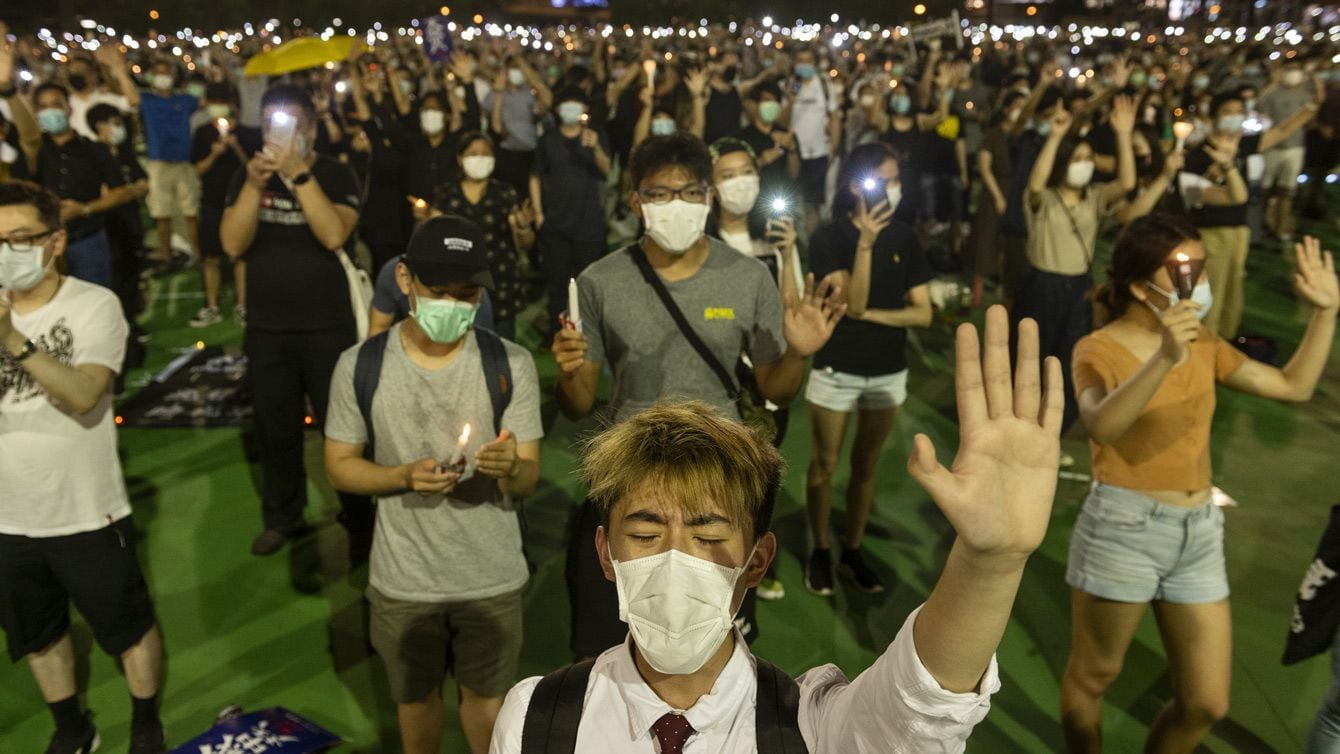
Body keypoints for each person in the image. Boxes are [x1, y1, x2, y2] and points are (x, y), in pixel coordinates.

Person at [490, 301, 1066, 752]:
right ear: (605, 553)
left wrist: (990, 563)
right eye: (645, 535)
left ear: (757, 561)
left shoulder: (812, 724)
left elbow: (918, 715)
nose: (674, 558)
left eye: (708, 536)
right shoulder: (533, 720)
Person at [551, 132, 844, 660]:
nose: (676, 205)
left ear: (709, 197)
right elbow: (577, 403)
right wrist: (569, 371)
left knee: (710, 641)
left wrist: (797, 354)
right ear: (636, 201)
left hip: (719, 474)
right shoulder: (600, 281)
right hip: (628, 474)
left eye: (689, 192)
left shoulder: (748, 277)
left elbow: (775, 389)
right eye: (659, 193)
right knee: (606, 636)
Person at [1060, 216, 1338, 753]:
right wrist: (1165, 357)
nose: (1201, 282)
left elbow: (1292, 385)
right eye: (1186, 270)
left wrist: (1325, 313)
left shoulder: (1206, 343)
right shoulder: (1098, 348)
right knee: (1094, 675)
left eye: (1202, 268)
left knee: (1206, 702)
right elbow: (1101, 426)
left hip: (1200, 533)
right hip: (1124, 527)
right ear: (1141, 288)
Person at [325, 215, 542, 754]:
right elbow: (340, 465)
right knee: (415, 700)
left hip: (491, 575)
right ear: (405, 279)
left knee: (487, 702)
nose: (453, 305)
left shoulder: (510, 363)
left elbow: (529, 476)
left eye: (466, 294)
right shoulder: (359, 365)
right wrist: (401, 475)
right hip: (404, 579)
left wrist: (510, 467)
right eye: (438, 291)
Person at [0, 180, 165, 754]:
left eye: (21, 238)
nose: (7, 252)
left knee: (127, 626)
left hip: (86, 508)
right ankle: (72, 728)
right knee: (38, 634)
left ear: (57, 240)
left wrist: (12, 339)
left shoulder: (95, 305)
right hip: (9, 515)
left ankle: (145, 720)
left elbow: (84, 394)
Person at [219, 84, 373, 557]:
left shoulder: (335, 173)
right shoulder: (247, 177)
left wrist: (299, 175)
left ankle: (360, 518)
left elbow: (334, 234)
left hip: (327, 325)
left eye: (290, 125)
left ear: (311, 128)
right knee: (275, 427)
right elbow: (232, 243)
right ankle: (282, 515)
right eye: (270, 124)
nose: (280, 134)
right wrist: (253, 185)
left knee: (342, 429)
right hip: (268, 326)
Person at [803, 143, 933, 597]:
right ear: (857, 186)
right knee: (824, 465)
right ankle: (820, 549)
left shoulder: (905, 238)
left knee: (866, 465)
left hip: (886, 369)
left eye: (896, 180)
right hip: (837, 366)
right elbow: (852, 302)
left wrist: (874, 316)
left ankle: (852, 550)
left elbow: (923, 313)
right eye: (885, 180)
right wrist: (865, 244)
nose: (894, 189)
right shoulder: (829, 237)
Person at [708, 136, 802, 601]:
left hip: (769, 375)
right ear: (711, 188)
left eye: (747, 172)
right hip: (724, 377)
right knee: (717, 478)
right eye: (727, 175)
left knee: (760, 476)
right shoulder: (705, 245)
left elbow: (793, 310)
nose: (740, 182)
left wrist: (788, 254)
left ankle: (755, 561)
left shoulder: (775, 238)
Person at [1014, 95, 1136, 431]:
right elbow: (1035, 184)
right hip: (1042, 286)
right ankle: (1024, 418)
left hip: (1079, 287)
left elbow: (1127, 183)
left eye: (1088, 159)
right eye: (1076, 159)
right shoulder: (1044, 199)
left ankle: (1056, 424)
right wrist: (1055, 136)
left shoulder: (1094, 198)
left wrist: (1124, 135)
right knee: (1032, 356)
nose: (1084, 165)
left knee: (1070, 358)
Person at [11, 83, 125, 288]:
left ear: (69, 108)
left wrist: (84, 209)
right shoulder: (34, 152)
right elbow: (28, 141)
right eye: (43, 107)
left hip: (88, 241)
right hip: (43, 245)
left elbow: (120, 192)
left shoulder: (94, 149)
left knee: (93, 298)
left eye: (56, 105)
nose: (50, 112)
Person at [433, 131, 533, 340]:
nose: (480, 158)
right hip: (458, 285)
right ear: (460, 159)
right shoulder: (446, 194)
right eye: (473, 153)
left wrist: (523, 227)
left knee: (502, 347)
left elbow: (525, 243)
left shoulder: (505, 193)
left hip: (500, 282)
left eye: (485, 154)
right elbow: (434, 240)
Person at [529, 87, 610, 337]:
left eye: (577, 104)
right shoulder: (548, 139)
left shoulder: (594, 135)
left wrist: (595, 148)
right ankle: (557, 333)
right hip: (556, 222)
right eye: (566, 103)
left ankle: (590, 334)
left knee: (589, 282)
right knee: (557, 283)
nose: (571, 109)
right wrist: (538, 213)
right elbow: (535, 176)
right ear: (557, 109)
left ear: (585, 110)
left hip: (588, 222)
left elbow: (606, 170)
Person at [189, 83, 256, 327]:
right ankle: (212, 306)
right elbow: (197, 170)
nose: (218, 107)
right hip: (212, 201)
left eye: (223, 102)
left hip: (240, 202)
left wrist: (235, 146)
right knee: (211, 257)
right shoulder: (202, 133)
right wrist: (214, 153)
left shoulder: (248, 133)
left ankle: (243, 305)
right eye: (214, 102)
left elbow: (252, 167)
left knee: (241, 255)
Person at [136, 59, 202, 270]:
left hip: (183, 162)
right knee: (161, 213)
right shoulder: (147, 99)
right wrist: (117, 70)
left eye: (166, 72)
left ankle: (198, 255)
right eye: (158, 72)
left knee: (191, 212)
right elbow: (129, 96)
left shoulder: (185, 100)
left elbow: (205, 101)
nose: (163, 76)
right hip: (159, 164)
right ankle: (167, 257)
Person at [1258, 58, 1317, 242]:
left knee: (1286, 191)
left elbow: (1313, 115)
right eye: (1290, 69)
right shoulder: (1273, 94)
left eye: (1296, 69)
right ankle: (1260, 224)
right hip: (1272, 148)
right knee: (1264, 190)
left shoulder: (1306, 95)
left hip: (1295, 148)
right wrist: (1272, 84)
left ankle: (1280, 227)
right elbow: (1259, 108)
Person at [785, 48, 841, 236]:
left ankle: (811, 242)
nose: (804, 64)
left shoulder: (824, 84)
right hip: (794, 154)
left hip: (818, 152)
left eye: (808, 60)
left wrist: (834, 146)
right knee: (791, 202)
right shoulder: (790, 85)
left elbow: (834, 117)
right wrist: (791, 100)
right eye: (800, 60)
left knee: (813, 203)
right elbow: (782, 121)